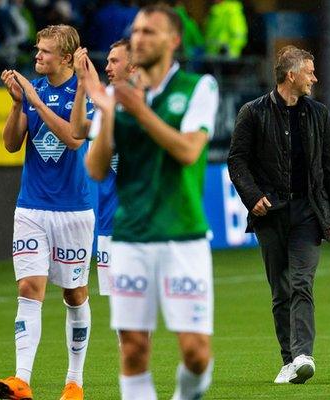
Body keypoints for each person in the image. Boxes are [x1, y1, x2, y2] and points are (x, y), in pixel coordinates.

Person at [83, 5, 219, 400]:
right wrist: (108, 116)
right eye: (136, 31)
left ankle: (188, 393)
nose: (139, 37)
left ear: (173, 41)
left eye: (149, 31)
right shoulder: (114, 97)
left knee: (195, 355)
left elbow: (188, 151)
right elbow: (95, 168)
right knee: (134, 349)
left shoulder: (198, 88)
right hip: (130, 237)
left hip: (183, 235)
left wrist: (139, 110)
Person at [227, 45, 330, 384]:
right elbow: (237, 161)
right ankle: (288, 359)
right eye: (310, 71)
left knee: (301, 282)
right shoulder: (253, 112)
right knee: (280, 291)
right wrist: (252, 197)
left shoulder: (318, 113)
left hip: (307, 211)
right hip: (271, 212)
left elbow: (328, 166)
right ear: (291, 75)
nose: (315, 78)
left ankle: (304, 354)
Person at [0, 24, 94, 400]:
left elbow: (72, 139)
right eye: (37, 50)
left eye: (45, 52)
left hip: (73, 211)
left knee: (74, 294)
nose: (36, 56)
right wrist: (18, 103)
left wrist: (34, 100)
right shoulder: (32, 94)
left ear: (66, 58)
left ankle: (74, 382)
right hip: (31, 207)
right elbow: (10, 144)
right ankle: (21, 380)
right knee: (28, 287)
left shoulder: (82, 91)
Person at [70, 39, 135, 297]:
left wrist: (93, 86)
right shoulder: (107, 104)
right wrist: (81, 86)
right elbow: (77, 130)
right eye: (106, 61)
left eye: (114, 61)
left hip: (139, 223)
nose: (107, 66)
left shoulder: (144, 102)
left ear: (133, 67)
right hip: (109, 222)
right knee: (121, 310)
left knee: (136, 308)